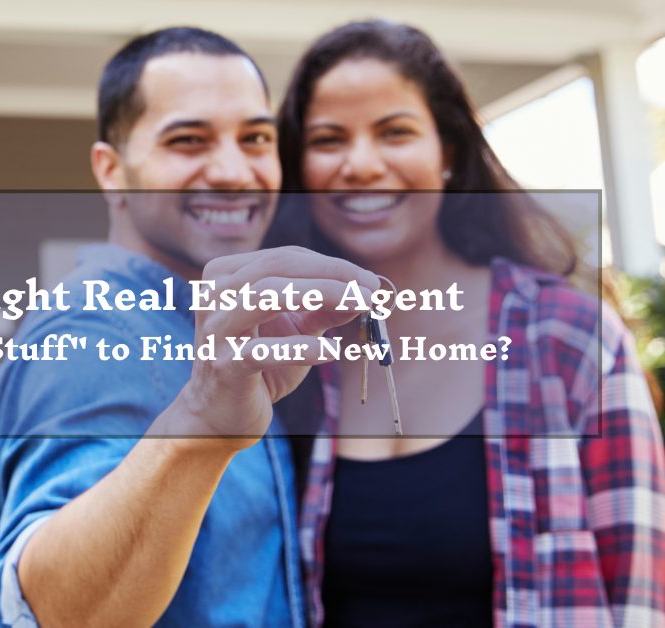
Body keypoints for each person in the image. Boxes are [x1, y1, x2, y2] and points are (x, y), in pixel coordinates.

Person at [267, 19, 665, 628]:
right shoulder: (286, 353)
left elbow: (640, 596)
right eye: (328, 139)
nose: (361, 162)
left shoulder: (569, 335)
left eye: (394, 132)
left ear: (447, 153)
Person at [0, 27, 379, 627]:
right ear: (111, 170)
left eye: (255, 139)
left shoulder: (215, 324)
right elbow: (57, 613)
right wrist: (198, 422)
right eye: (189, 140)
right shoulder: (94, 334)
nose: (232, 170)